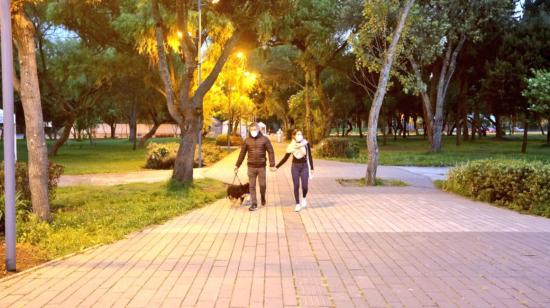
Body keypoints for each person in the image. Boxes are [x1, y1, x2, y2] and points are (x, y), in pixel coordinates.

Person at [235, 122, 276, 211]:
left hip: (261, 167)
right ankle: (254, 204)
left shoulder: (265, 139)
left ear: (258, 130)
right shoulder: (247, 140)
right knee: (252, 186)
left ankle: (263, 196)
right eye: (252, 129)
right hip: (251, 167)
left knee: (262, 185)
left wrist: (272, 164)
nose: (253, 131)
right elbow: (242, 153)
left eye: (255, 129)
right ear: (249, 130)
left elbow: (271, 151)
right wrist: (237, 165)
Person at [275, 129, 314, 212]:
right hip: (295, 167)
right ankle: (297, 204)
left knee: (305, 186)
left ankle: (304, 198)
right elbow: (285, 158)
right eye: (297, 134)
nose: (299, 135)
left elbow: (309, 157)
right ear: (294, 136)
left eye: (300, 134)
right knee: (296, 185)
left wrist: (312, 168)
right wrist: (276, 167)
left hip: (304, 167)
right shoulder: (291, 146)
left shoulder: (306, 144)